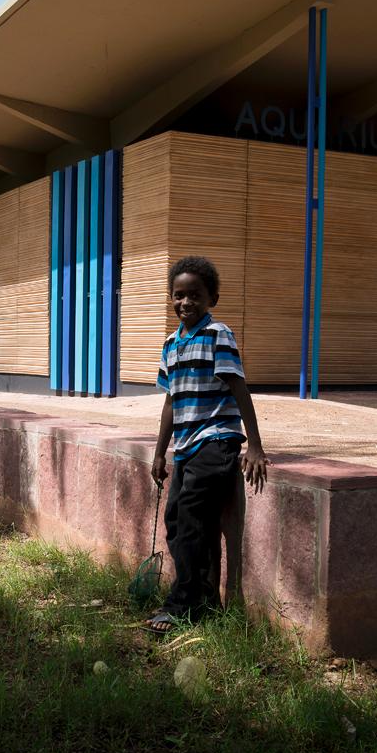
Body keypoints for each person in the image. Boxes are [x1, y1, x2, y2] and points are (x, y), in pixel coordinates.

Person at [143, 255, 267, 635]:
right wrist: (160, 451)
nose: (186, 303)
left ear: (212, 297)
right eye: (178, 296)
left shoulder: (219, 335)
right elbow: (170, 401)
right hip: (186, 447)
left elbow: (238, 388)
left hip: (216, 441)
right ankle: (202, 598)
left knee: (193, 521)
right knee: (177, 522)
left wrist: (256, 447)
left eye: (195, 295)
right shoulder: (170, 344)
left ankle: (182, 605)